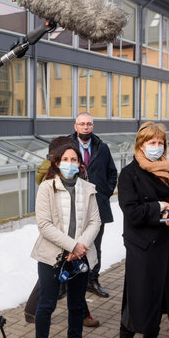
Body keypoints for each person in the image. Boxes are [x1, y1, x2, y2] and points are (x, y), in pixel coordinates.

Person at [115, 122, 169, 338]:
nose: (156, 147)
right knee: (137, 297)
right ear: (140, 145)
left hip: (166, 242)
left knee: (160, 295)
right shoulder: (129, 174)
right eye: (151, 143)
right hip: (141, 246)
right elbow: (131, 212)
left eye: (160, 143)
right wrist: (160, 207)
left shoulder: (167, 171)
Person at [30, 140, 101, 338]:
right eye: (65, 159)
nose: (70, 164)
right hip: (52, 256)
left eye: (74, 159)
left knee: (77, 304)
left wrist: (80, 248)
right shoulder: (46, 187)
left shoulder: (87, 188)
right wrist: (72, 245)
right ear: (57, 162)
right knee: (47, 305)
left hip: (80, 256)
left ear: (80, 163)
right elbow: (44, 225)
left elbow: (95, 222)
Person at [69, 112, 118, 298]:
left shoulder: (102, 147)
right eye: (82, 124)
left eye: (89, 124)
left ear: (93, 126)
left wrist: (105, 192)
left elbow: (112, 172)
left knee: (95, 245)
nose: (85, 127)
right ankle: (66, 283)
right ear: (76, 126)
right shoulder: (67, 146)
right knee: (71, 242)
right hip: (74, 205)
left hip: (98, 204)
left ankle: (93, 280)